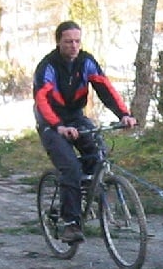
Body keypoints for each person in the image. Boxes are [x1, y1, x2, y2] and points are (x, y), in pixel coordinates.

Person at [33, 20, 137, 244]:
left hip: (75, 116)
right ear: (58, 42)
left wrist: (124, 114)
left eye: (77, 41)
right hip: (51, 121)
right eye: (68, 41)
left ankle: (82, 195)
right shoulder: (47, 66)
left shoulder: (86, 61)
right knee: (70, 167)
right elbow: (41, 100)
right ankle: (71, 223)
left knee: (97, 153)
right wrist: (59, 126)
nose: (73, 46)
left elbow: (105, 88)